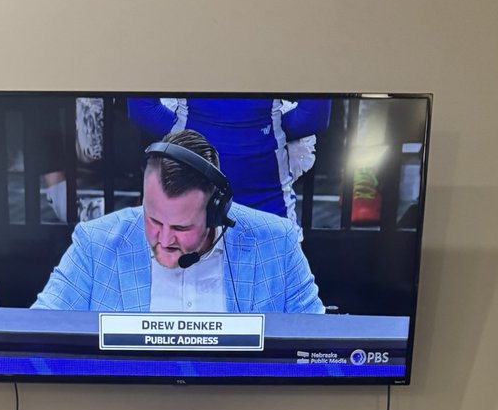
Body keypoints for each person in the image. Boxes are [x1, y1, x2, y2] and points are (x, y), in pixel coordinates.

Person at [30, 129, 326, 314]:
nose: (165, 239)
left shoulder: (277, 243)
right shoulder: (95, 244)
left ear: (215, 211)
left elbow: (316, 348)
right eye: (154, 220)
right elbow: (38, 335)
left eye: (182, 227)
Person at [127, 97, 331, 228]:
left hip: (266, 208)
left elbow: (313, 117)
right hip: (195, 215)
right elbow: (312, 117)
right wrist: (261, 131)